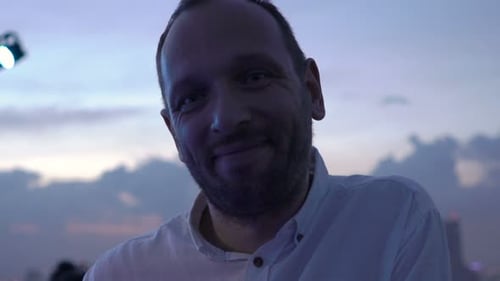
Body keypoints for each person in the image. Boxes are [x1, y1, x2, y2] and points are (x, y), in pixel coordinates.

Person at [84, 0, 451, 280]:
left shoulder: (394, 218)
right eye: (191, 99)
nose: (225, 118)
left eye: (254, 77)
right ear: (174, 135)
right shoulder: (121, 273)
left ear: (313, 90)